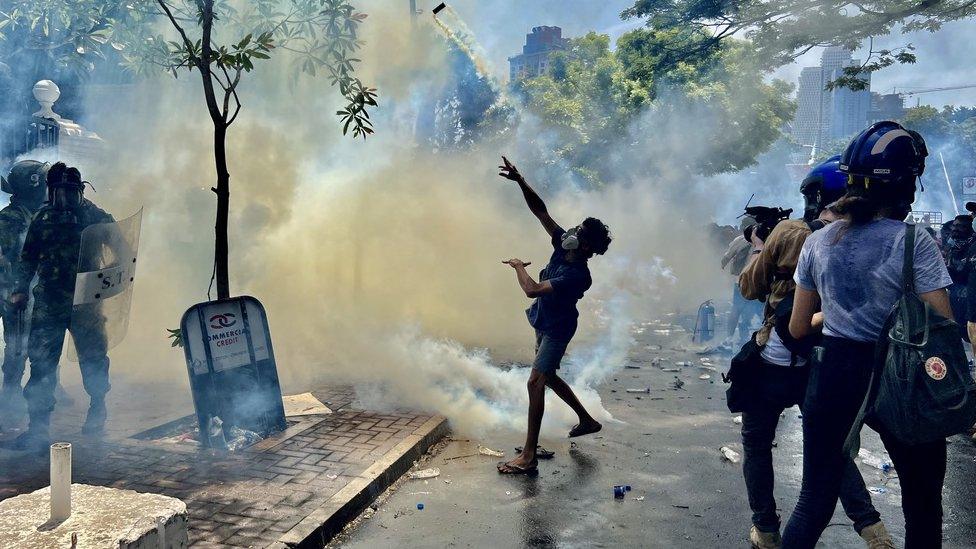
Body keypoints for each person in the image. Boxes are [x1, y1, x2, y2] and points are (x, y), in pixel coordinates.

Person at [782, 122, 952, 548]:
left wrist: (835, 316)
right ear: (907, 186)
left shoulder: (818, 243)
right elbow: (941, 323)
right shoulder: (915, 242)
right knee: (922, 503)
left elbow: (799, 327)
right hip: (904, 379)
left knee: (814, 500)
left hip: (836, 374)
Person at [738, 156, 892, 549]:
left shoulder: (791, 233)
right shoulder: (874, 236)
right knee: (831, 449)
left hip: (776, 353)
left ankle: (767, 529)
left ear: (818, 194)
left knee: (757, 443)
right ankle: (873, 529)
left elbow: (749, 288)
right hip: (827, 359)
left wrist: (758, 247)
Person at [495, 156, 611, 475]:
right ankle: (587, 420)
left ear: (585, 245)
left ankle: (529, 456)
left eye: (578, 231)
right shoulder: (564, 246)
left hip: (558, 329)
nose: (570, 229)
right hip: (543, 321)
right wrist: (520, 180)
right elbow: (540, 211)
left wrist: (519, 267)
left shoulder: (578, 274)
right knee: (547, 376)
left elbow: (531, 289)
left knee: (535, 382)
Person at [9, 162, 116, 451]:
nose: (65, 200)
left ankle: (98, 406)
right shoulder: (43, 218)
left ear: (80, 191)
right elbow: (28, 258)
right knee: (41, 364)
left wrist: (109, 277)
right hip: (50, 302)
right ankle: (38, 429)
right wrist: (20, 290)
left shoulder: (97, 218)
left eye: (71, 193)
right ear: (50, 192)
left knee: (93, 359)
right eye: (59, 193)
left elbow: (123, 251)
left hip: (86, 304)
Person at [0, 161, 48, 404]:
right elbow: (14, 256)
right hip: (13, 291)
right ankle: (10, 392)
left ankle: (50, 385)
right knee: (17, 343)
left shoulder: (34, 215)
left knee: (38, 339)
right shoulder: (10, 219)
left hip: (27, 288)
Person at [721, 216, 764, 346]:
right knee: (759, 310)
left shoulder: (739, 240)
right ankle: (759, 339)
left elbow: (726, 258)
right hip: (757, 282)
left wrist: (724, 265)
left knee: (736, 308)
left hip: (740, 282)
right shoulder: (763, 241)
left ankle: (729, 338)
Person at [944, 213, 975, 340]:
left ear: (969, 228)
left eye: (960, 226)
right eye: (954, 226)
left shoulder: (973, 245)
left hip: (970, 297)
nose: (955, 229)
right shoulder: (953, 245)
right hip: (956, 296)